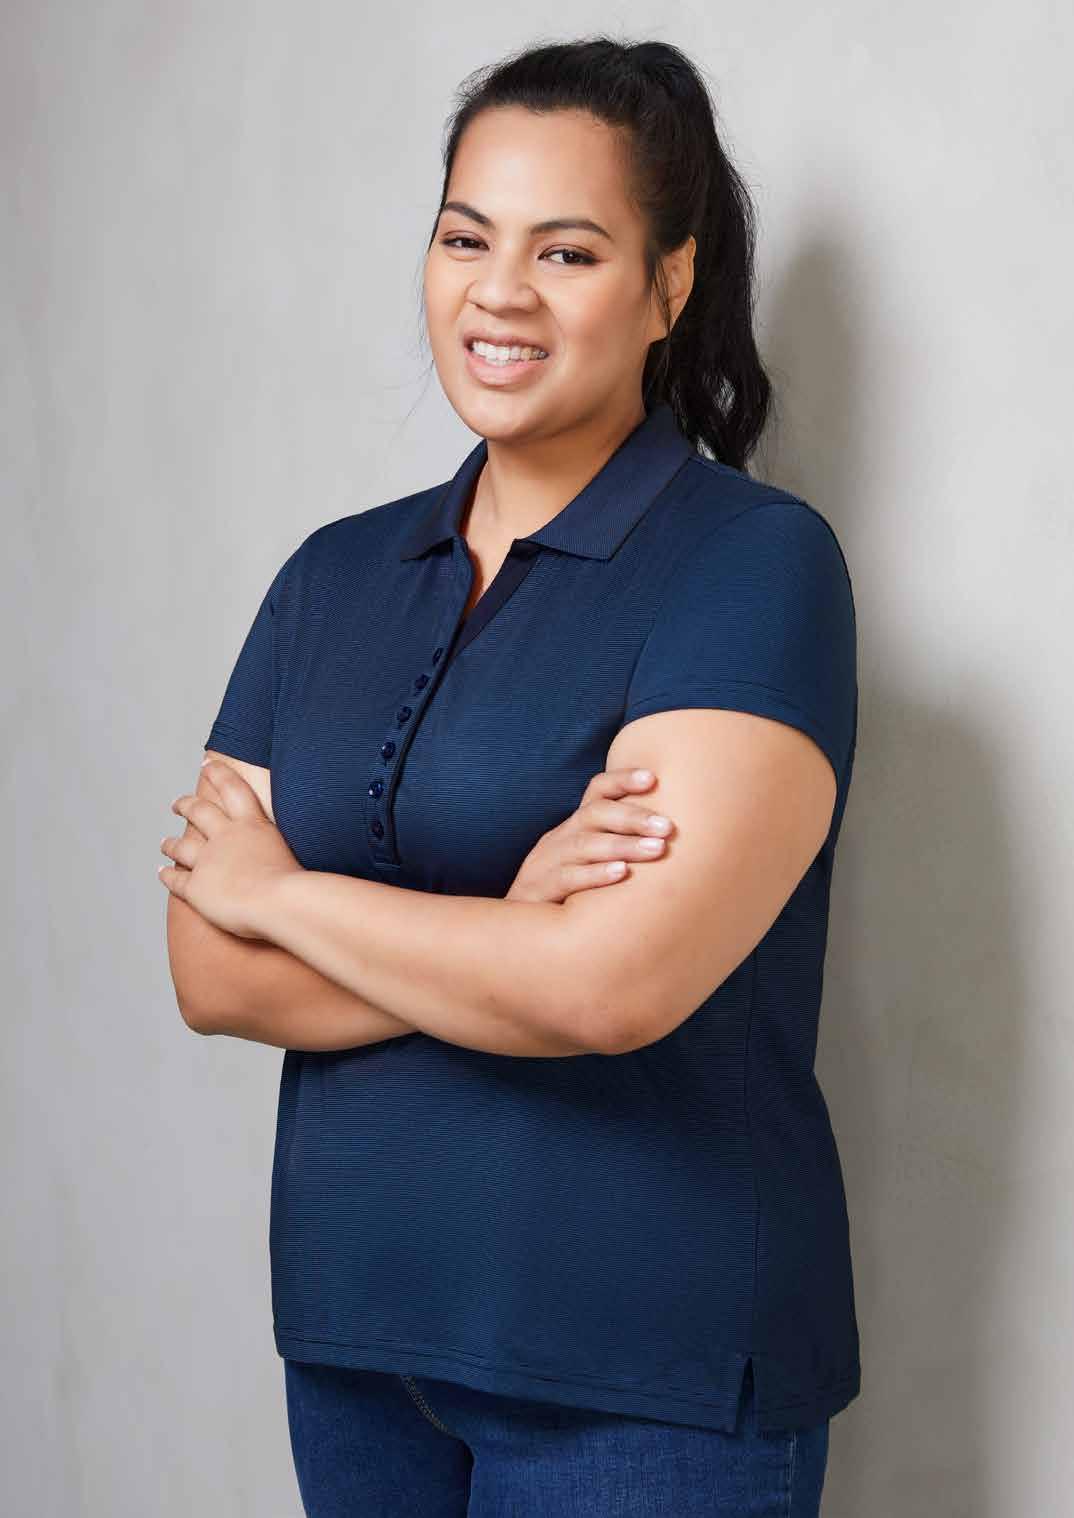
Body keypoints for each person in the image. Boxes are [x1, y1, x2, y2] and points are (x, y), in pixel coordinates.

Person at [160, 35, 859, 1517]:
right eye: (466, 237)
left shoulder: (750, 567)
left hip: (644, 1374)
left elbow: (607, 990)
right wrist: (506, 930)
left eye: (568, 251)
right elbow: (209, 971)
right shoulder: (332, 576)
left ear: (669, 286)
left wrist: (284, 896)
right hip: (359, 1348)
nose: (499, 292)